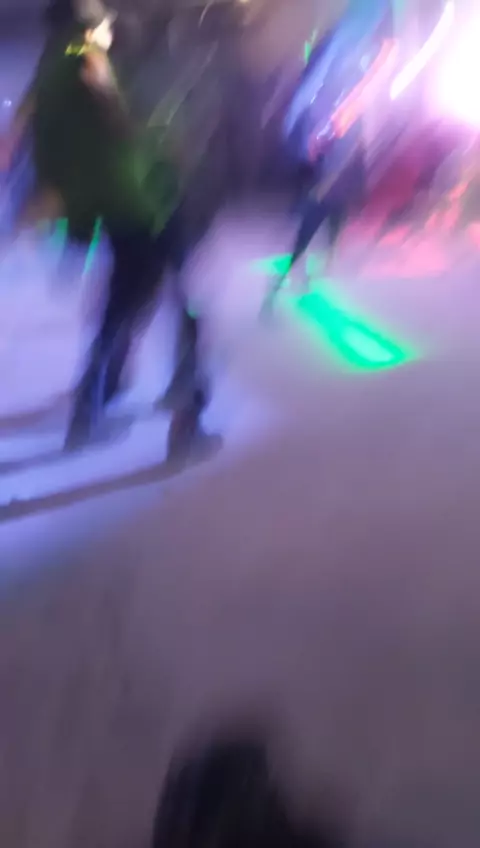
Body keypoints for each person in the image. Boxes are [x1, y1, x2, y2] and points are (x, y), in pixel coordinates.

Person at [31, 0, 218, 459]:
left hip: (109, 208)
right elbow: (123, 124)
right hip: (145, 200)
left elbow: (49, 158)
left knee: (121, 304)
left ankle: (88, 409)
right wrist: (164, 142)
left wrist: (78, 212)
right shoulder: (88, 61)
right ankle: (187, 423)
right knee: (186, 304)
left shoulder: (48, 77)